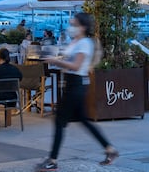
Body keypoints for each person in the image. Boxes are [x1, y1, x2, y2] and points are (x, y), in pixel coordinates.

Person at [38, 13, 118, 171]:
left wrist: (56, 61)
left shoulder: (85, 44)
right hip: (71, 84)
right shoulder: (75, 42)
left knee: (60, 121)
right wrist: (60, 61)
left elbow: (75, 66)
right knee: (83, 120)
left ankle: (53, 160)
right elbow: (70, 63)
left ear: (83, 27)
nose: (71, 27)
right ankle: (110, 149)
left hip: (75, 84)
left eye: (74, 24)